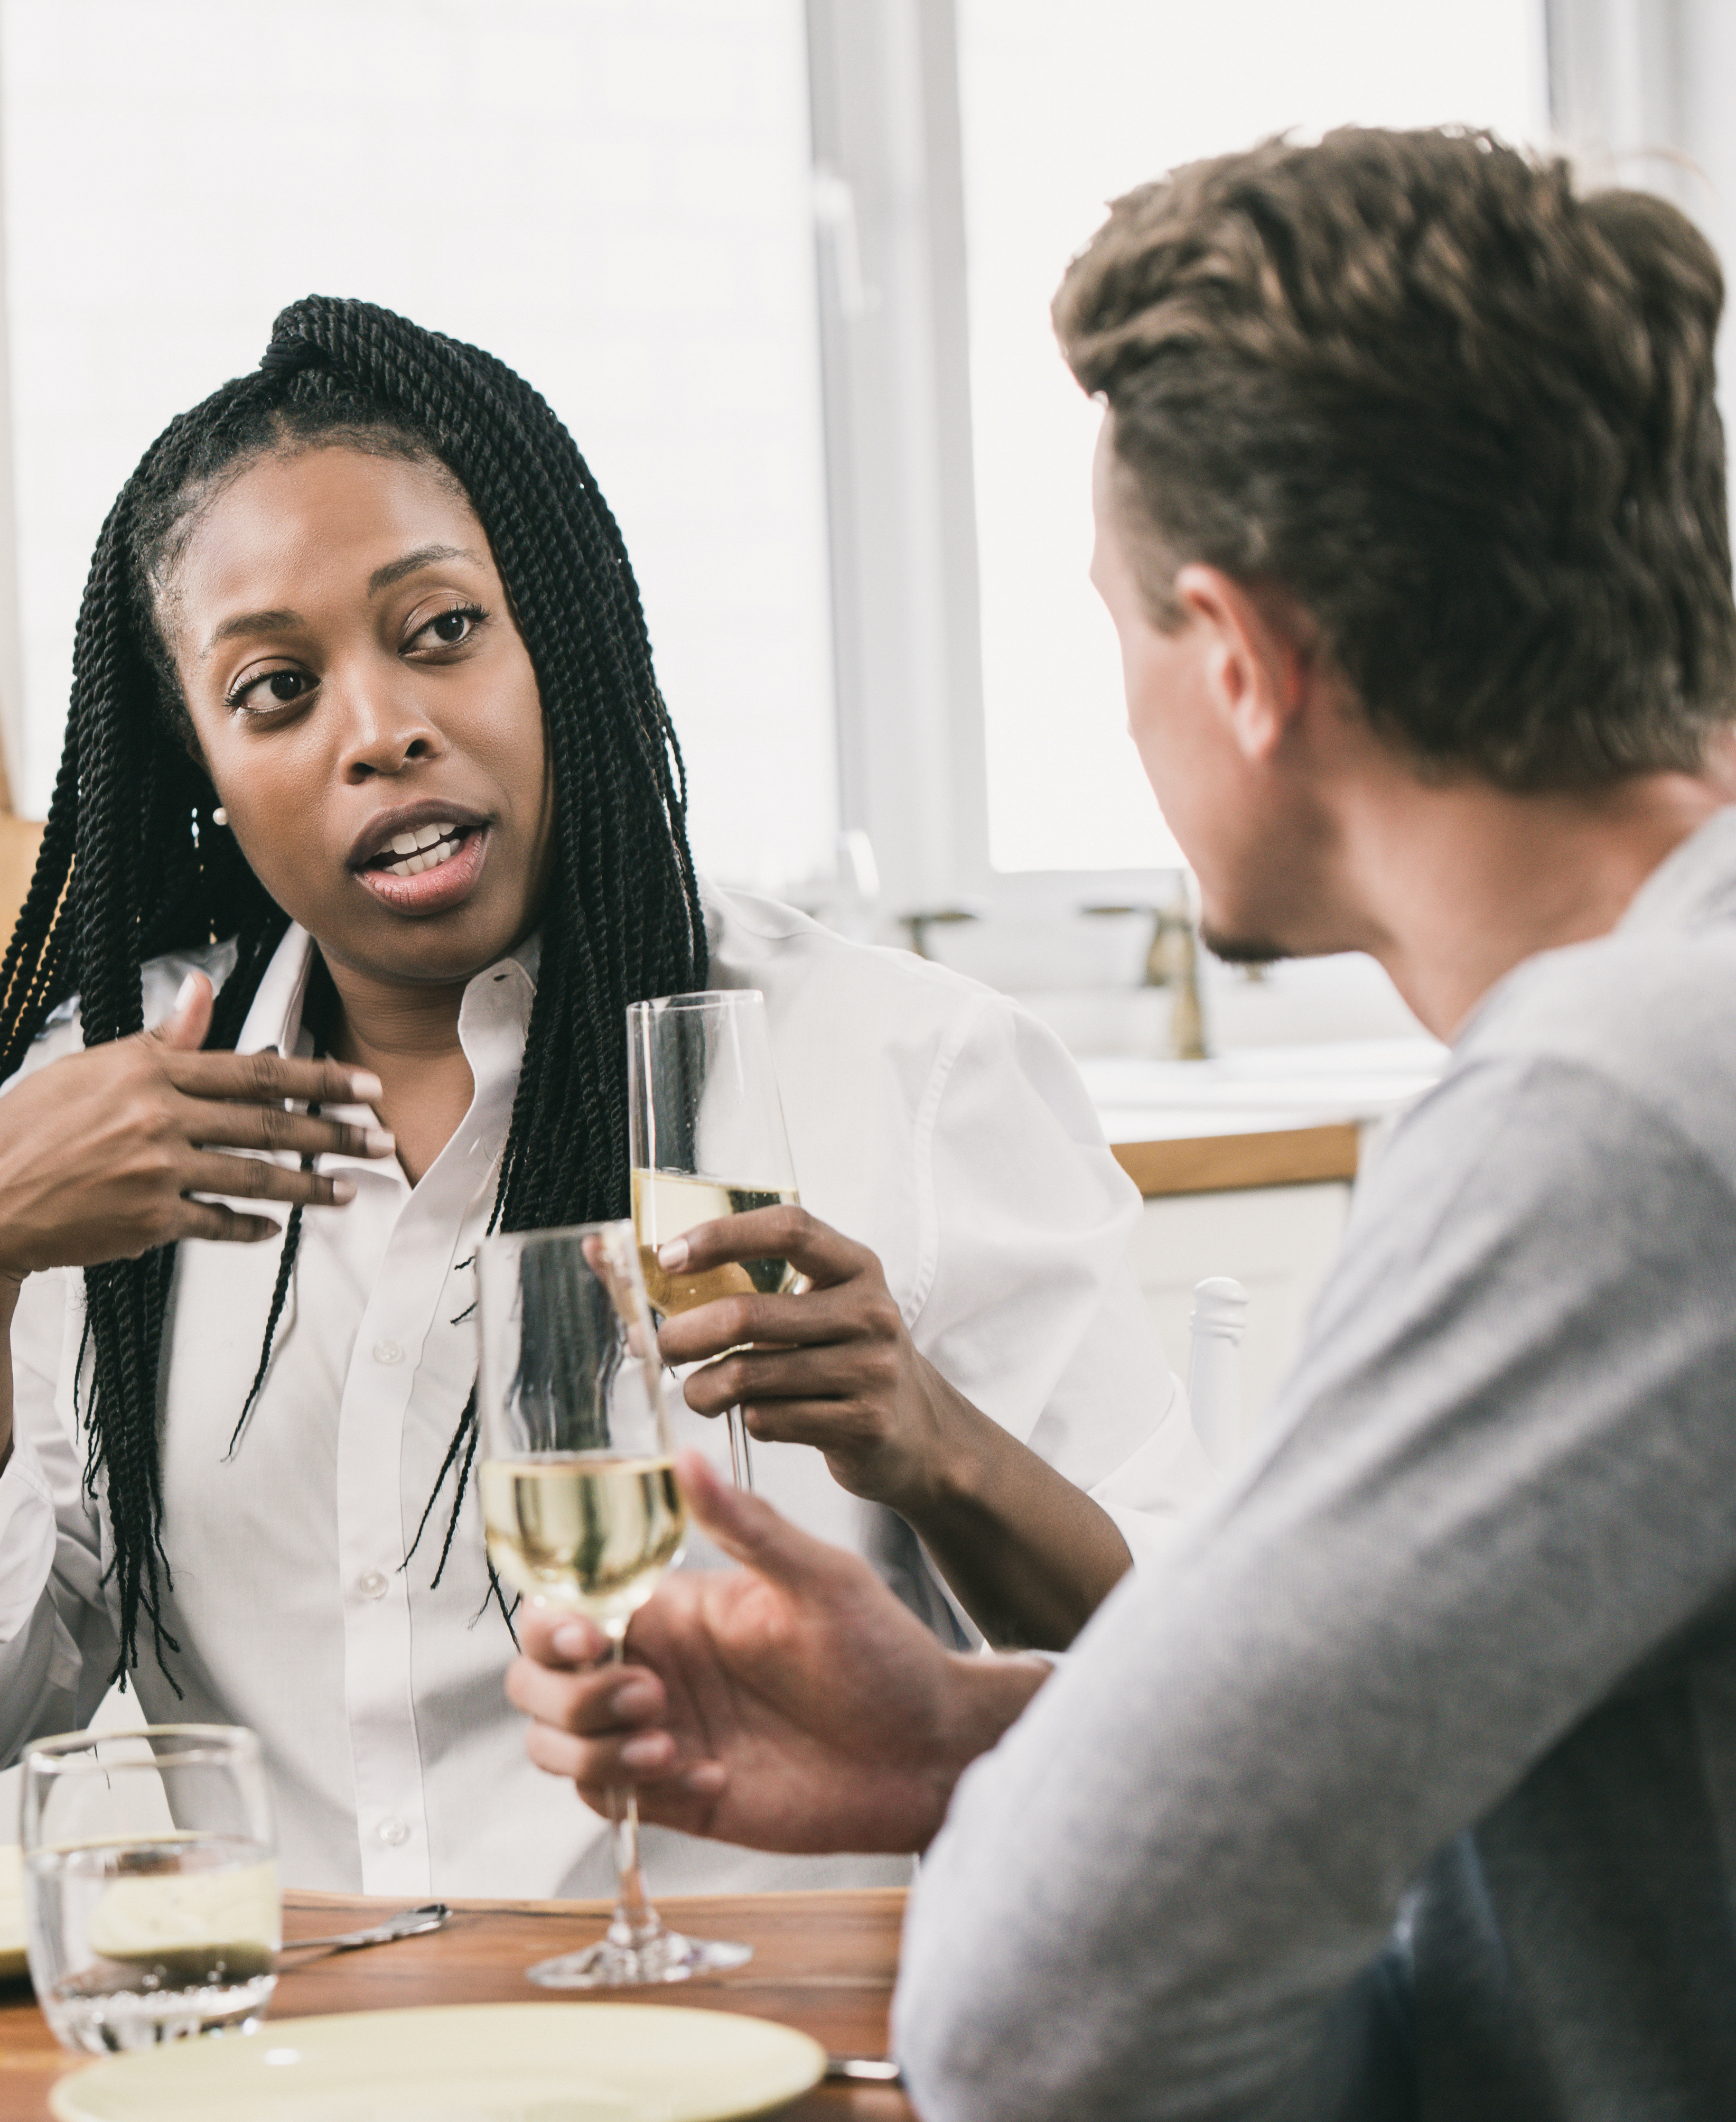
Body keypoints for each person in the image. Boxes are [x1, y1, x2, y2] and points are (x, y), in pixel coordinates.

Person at [511, 128, 1736, 2116]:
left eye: (1117, 627)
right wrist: (964, 1738)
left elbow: (1043, 2016)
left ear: (1240, 661)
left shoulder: (1611, 1127)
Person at [0, 295, 1210, 1898]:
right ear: (200, 765)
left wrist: (933, 1442)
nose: (381, 729)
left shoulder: (900, 1070)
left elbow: (1203, 1694)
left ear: (559, 637)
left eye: (443, 629)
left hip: (767, 2054)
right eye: (274, 689)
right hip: (297, 2071)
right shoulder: (103, 1129)